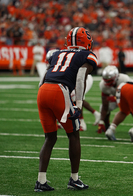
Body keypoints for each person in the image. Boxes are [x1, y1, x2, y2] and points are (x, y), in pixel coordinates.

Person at [35, 27, 97, 192]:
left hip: (43, 90)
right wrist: (79, 104)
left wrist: (41, 95)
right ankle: (74, 179)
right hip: (59, 90)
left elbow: (47, 74)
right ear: (88, 41)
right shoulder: (87, 55)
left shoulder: (57, 53)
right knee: (74, 135)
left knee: (50, 138)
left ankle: (41, 181)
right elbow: (81, 74)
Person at [97, 65, 133, 136]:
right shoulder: (103, 85)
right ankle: (107, 126)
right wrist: (101, 122)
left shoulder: (124, 79)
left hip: (132, 95)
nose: (107, 83)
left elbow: (129, 98)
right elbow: (105, 105)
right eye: (105, 81)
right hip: (118, 97)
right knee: (103, 107)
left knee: (132, 107)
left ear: (116, 77)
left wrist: (116, 98)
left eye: (109, 81)